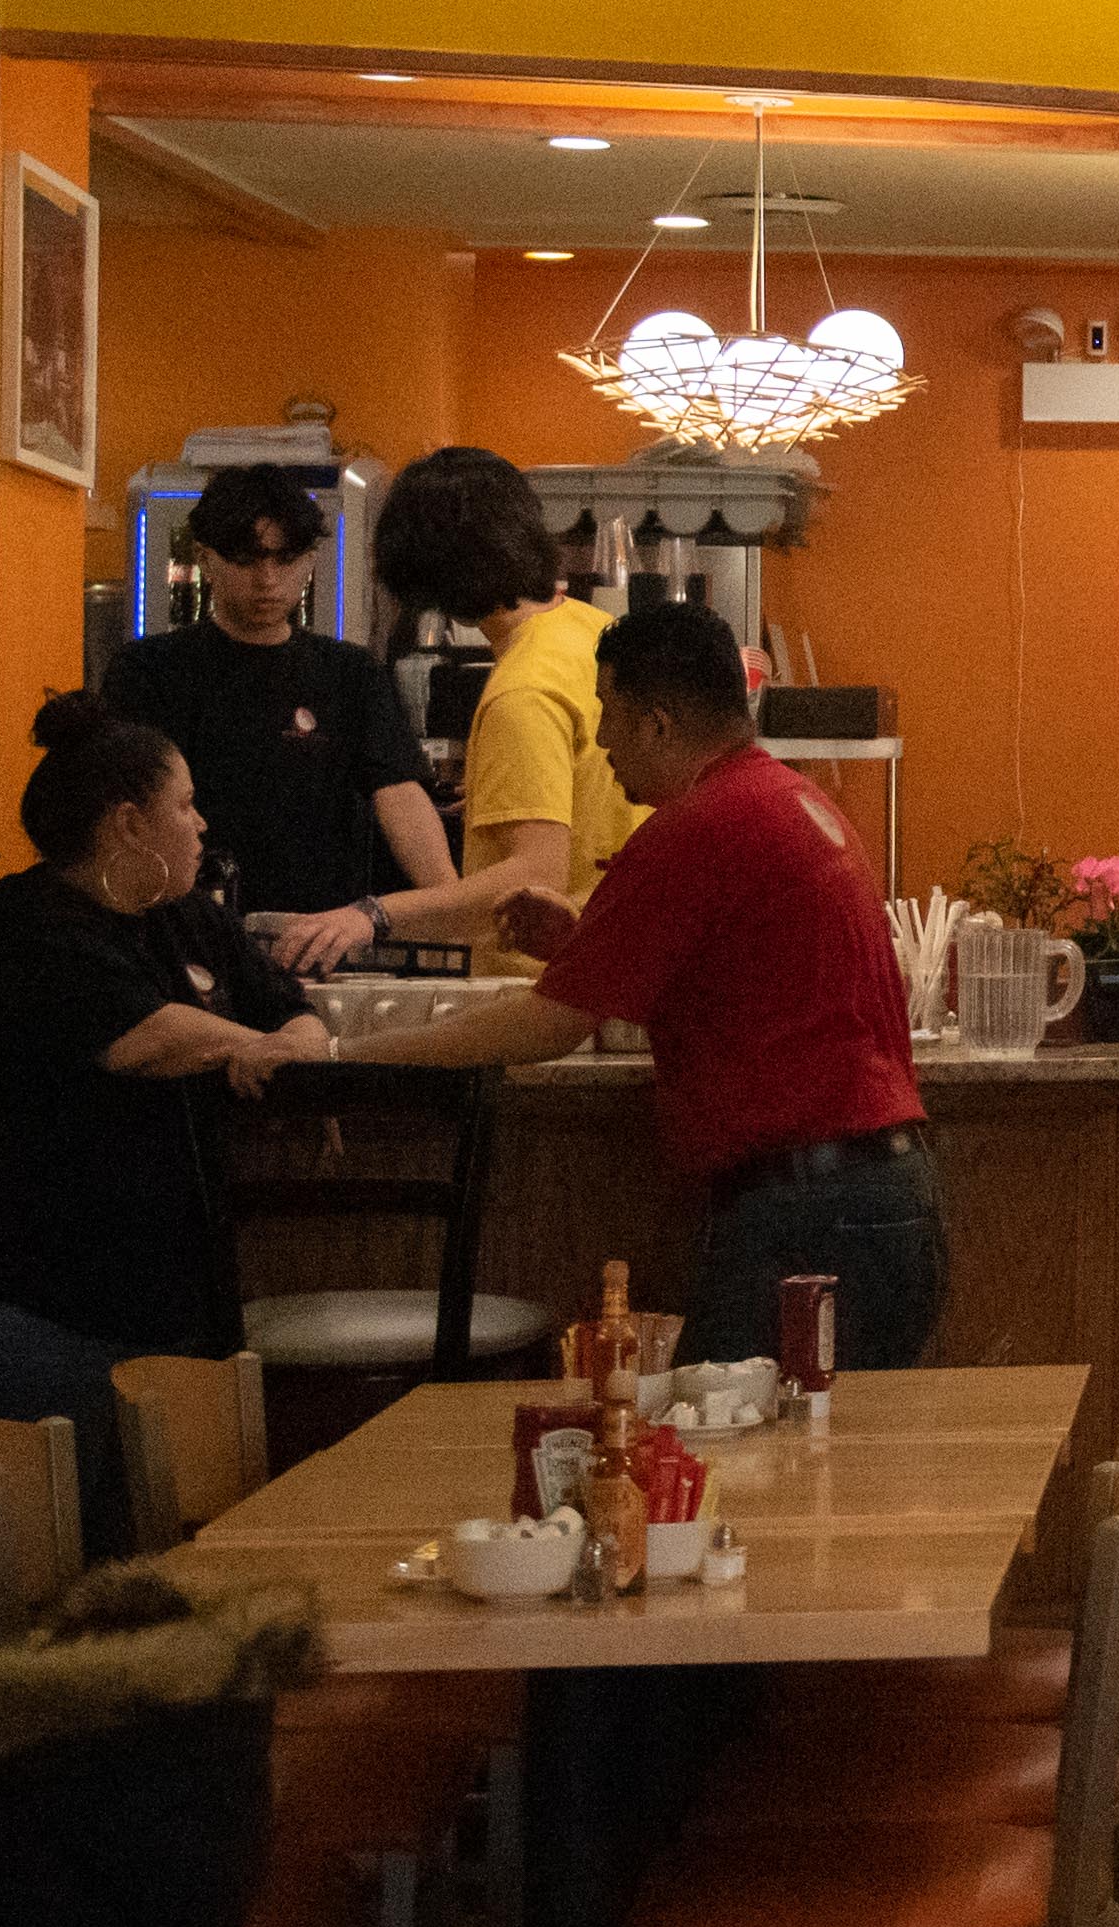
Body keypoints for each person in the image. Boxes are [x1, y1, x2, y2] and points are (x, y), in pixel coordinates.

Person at [354, 599, 943, 1370]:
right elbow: (733, 970)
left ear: (658, 723)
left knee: (748, 1465)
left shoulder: (695, 827)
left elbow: (547, 1026)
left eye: (608, 713)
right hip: (882, 1196)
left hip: (805, 1213)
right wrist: (582, 942)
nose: (599, 742)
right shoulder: (783, 797)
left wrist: (361, 1051)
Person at [0, 696, 330, 1551]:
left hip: (129, 1318)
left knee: (159, 1563)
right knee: (68, 1582)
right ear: (128, 823)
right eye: (184, 804)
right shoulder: (25, 925)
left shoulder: (184, 915)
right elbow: (146, 1038)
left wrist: (295, 1043)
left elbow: (293, 1008)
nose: (201, 822)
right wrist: (262, 1047)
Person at [93, 458, 453, 960]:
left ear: (309, 562)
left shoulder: (350, 673)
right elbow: (123, 816)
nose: (267, 580)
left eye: (284, 560)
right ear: (206, 558)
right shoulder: (150, 670)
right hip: (183, 937)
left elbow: (400, 798)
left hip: (321, 939)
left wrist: (450, 907)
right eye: (246, 560)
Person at [354, 446, 634, 958]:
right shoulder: (598, 632)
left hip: (540, 984)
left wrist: (373, 915)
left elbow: (535, 875)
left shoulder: (522, 690)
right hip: (620, 960)